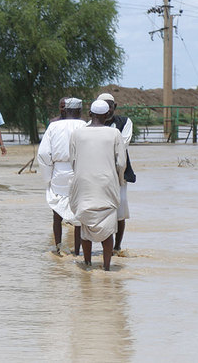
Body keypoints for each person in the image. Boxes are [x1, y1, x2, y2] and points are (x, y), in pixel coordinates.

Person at [69, 100, 126, 271]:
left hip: (84, 183)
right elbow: (121, 162)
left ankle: (87, 263)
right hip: (106, 183)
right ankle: (107, 267)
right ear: (108, 115)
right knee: (108, 226)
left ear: (90, 114)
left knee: (85, 224)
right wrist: (119, 180)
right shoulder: (115, 133)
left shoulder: (77, 134)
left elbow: (72, 160)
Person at [37, 98, 86, 255]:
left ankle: (59, 248)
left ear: (66, 110)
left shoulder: (53, 126)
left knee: (56, 213)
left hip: (58, 171)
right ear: (79, 111)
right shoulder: (85, 126)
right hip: (79, 171)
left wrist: (48, 176)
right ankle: (77, 252)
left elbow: (44, 153)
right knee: (79, 214)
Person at [97, 93, 135, 253]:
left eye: (110, 106)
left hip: (120, 174)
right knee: (99, 209)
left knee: (120, 210)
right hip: (97, 173)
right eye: (103, 107)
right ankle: (103, 247)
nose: (107, 110)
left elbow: (123, 144)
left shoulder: (125, 122)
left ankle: (117, 247)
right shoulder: (88, 125)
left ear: (114, 107)